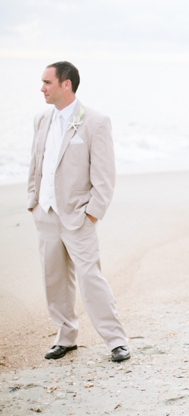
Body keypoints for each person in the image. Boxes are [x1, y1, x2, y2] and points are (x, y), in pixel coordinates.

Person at [27, 61, 130, 362]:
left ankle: (115, 340)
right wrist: (34, 201)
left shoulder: (95, 122)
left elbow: (104, 174)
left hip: (79, 216)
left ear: (66, 84)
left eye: (47, 82)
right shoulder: (40, 120)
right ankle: (66, 335)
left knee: (90, 277)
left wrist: (93, 213)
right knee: (54, 278)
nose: (42, 88)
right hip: (46, 214)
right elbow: (37, 163)